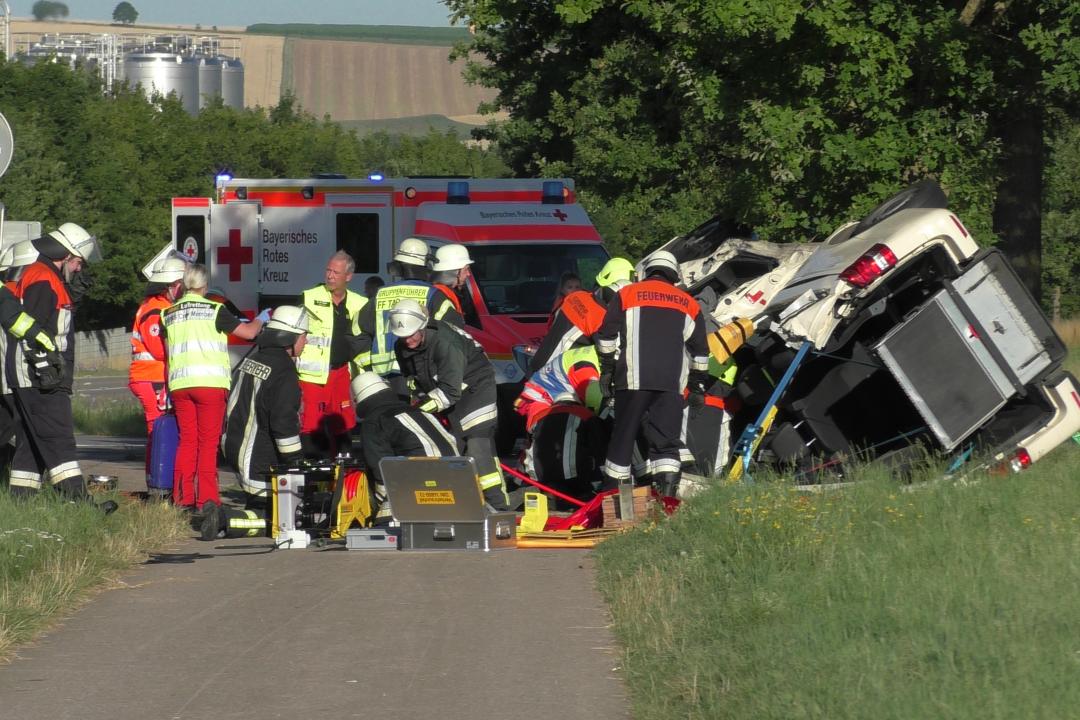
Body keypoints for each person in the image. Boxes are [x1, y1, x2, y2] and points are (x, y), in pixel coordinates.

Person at [6, 224, 115, 513]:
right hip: (39, 377)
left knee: (30, 443)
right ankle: (81, 505)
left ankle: (21, 505)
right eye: (78, 262)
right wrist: (46, 370)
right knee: (59, 438)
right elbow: (32, 328)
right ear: (65, 255)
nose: (79, 269)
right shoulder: (42, 278)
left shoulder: (45, 277)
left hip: (35, 376)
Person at [595, 250, 710, 498]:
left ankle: (615, 503)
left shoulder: (626, 294)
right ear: (674, 275)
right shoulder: (689, 303)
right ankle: (666, 502)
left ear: (646, 271)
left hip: (633, 379)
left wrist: (606, 369)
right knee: (666, 444)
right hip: (671, 385)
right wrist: (698, 385)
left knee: (623, 439)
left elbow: (606, 336)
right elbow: (700, 351)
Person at [160, 263, 263, 539]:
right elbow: (249, 333)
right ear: (204, 286)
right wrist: (263, 317)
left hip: (180, 385)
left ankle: (182, 499)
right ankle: (208, 501)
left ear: (184, 284)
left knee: (187, 442)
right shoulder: (215, 310)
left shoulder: (167, 313)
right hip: (209, 385)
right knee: (207, 444)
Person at [388, 298, 511, 509]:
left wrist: (418, 411)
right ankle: (464, 503)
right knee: (452, 447)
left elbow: (450, 391)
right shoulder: (404, 344)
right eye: (402, 336)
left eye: (411, 334)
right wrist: (416, 401)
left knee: (476, 445)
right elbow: (413, 379)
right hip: (445, 394)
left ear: (423, 325)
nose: (407, 340)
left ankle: (498, 505)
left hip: (475, 389)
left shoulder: (446, 343)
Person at [221, 305, 308, 506]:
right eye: (304, 336)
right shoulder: (284, 371)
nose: (307, 341)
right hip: (259, 462)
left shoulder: (254, 359)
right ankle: (228, 520)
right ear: (291, 337)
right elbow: (283, 422)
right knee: (282, 521)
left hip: (237, 450)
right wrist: (296, 462)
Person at [351, 371, 460, 523]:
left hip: (421, 483)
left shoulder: (373, 421)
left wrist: (380, 504)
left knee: (385, 524)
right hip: (458, 477)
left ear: (358, 400)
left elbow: (380, 467)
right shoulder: (417, 411)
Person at [356, 238, 463, 384]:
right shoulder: (434, 295)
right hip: (421, 374)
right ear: (426, 264)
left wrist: (368, 365)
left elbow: (356, 332)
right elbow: (455, 331)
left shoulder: (379, 295)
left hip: (383, 379)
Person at [296, 251, 367, 456]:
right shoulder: (309, 297)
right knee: (310, 424)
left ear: (348, 276)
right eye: (328, 270)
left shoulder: (360, 303)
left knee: (343, 422)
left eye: (336, 272)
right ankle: (313, 471)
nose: (330, 276)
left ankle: (344, 471)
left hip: (342, 372)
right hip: (313, 374)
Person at [128, 255, 187, 488]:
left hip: (153, 376)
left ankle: (159, 483)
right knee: (157, 431)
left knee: (160, 430)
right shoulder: (155, 310)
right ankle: (158, 486)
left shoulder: (160, 307)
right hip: (151, 376)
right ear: (172, 285)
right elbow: (159, 348)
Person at [0, 240, 58, 477]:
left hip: (7, 376)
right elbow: (19, 324)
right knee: (26, 429)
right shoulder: (16, 293)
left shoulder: (10, 291)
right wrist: (41, 338)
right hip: (10, 377)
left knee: (6, 430)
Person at [529, 257, 635, 373]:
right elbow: (614, 355)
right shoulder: (601, 316)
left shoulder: (575, 299)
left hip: (540, 370)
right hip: (557, 377)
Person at [429, 243, 473, 319]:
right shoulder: (442, 296)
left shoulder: (436, 291)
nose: (468, 274)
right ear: (454, 272)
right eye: (466, 269)